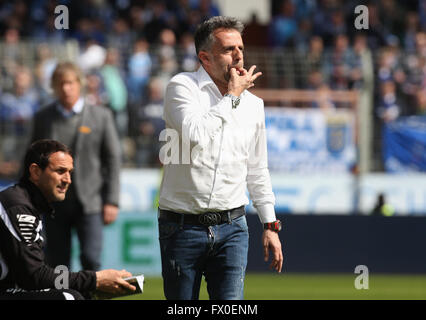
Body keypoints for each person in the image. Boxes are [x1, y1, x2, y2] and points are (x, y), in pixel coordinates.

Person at [158, 16, 283, 300]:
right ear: (205, 57)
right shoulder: (181, 87)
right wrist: (233, 97)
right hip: (181, 226)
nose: (239, 55)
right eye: (229, 49)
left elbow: (257, 169)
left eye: (240, 47)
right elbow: (196, 135)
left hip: (233, 227)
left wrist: (270, 225)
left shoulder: (253, 105)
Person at [0, 139, 135, 300]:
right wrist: (95, 280)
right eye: (60, 171)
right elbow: (34, 275)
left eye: (70, 172)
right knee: (69, 297)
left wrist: (89, 286)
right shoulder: (18, 207)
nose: (68, 180)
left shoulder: (25, 203)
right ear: (35, 172)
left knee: (78, 294)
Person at [30, 62, 121, 271]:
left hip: (89, 202)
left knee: (91, 260)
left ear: (79, 84)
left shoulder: (101, 116)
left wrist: (112, 201)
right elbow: (31, 159)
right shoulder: (43, 117)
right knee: (57, 263)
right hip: (53, 204)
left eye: (70, 83)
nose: (65, 88)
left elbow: (113, 160)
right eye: (60, 84)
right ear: (53, 86)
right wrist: (29, 197)